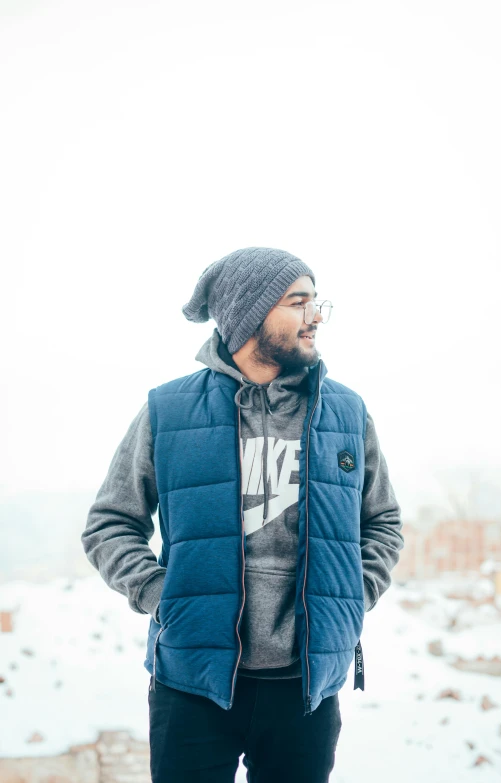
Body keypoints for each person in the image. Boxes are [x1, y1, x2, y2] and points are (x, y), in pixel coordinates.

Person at [81, 246, 404, 782]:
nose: (316, 315)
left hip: (305, 688)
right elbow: (110, 523)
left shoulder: (347, 414)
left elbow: (383, 524)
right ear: (251, 315)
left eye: (316, 301)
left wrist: (350, 600)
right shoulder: (169, 411)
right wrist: (164, 597)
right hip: (193, 683)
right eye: (298, 301)